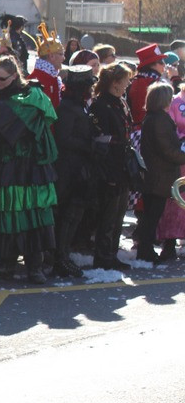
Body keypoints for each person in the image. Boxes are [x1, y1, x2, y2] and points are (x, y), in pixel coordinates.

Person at [0, 55, 58, 284]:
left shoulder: (31, 95)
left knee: (31, 213)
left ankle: (34, 266)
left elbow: (21, 124)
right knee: (4, 211)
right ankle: (5, 263)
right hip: (4, 164)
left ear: (15, 76)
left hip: (27, 167)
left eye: (2, 79)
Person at [51, 65, 98, 278]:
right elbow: (63, 138)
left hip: (77, 167)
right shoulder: (68, 108)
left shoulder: (78, 105)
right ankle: (60, 258)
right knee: (67, 213)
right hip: (68, 169)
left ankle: (63, 255)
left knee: (73, 213)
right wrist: (90, 144)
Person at [88, 62, 136, 270]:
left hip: (123, 163)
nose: (128, 83)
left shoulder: (121, 102)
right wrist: (107, 170)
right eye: (126, 80)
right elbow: (100, 138)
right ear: (115, 82)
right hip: (109, 165)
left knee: (119, 214)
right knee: (108, 215)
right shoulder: (100, 104)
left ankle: (112, 254)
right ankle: (103, 257)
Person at [135, 83, 185, 263]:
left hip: (157, 174)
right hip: (159, 175)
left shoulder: (154, 117)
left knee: (152, 215)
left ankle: (146, 250)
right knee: (152, 216)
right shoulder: (159, 120)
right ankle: (145, 251)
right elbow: (167, 149)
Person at [127, 43, 168, 126]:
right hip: (154, 128)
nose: (164, 64)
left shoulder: (131, 82)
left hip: (135, 130)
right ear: (151, 65)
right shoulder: (158, 84)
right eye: (161, 62)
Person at [28, 27, 65, 108]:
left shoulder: (53, 77)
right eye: (61, 54)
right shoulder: (37, 80)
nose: (64, 58)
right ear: (51, 56)